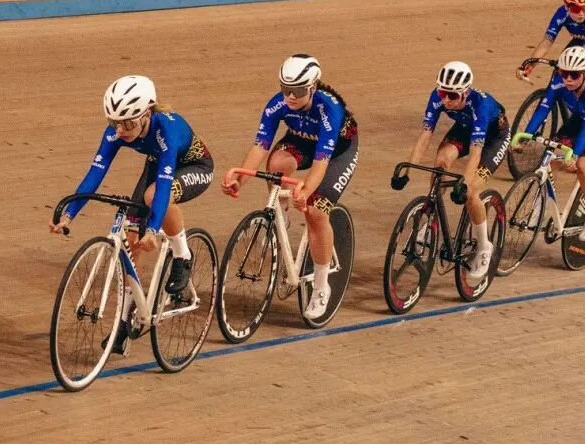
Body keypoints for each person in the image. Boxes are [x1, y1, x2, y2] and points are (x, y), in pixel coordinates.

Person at [51, 75, 213, 341]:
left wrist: (153, 227)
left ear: (147, 114)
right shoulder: (116, 131)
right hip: (158, 163)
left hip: (193, 166)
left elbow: (163, 183)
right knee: (131, 240)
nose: (121, 129)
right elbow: (95, 174)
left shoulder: (166, 131)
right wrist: (68, 214)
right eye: (114, 122)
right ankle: (126, 319)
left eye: (128, 122)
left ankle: (183, 256)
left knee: (152, 197)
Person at [221, 54, 358, 319]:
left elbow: (321, 162)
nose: (290, 97)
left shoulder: (329, 108)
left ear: (313, 87)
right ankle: (279, 215)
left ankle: (321, 286)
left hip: (336, 152)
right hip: (300, 141)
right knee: (276, 166)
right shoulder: (277, 105)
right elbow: (260, 146)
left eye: (297, 91)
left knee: (316, 210)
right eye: (285, 89)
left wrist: (306, 192)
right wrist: (240, 180)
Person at [403, 61, 509, 277]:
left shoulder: (481, 105)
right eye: (443, 93)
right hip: (463, 129)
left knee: (470, 192)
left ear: (466, 92)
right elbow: (425, 136)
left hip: (492, 138)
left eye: (452, 96)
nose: (446, 100)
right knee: (439, 166)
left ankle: (484, 246)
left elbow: (476, 153)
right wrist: (407, 171)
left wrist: (464, 183)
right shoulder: (438, 97)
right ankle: (430, 221)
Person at [510, 45, 585, 240]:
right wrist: (526, 136)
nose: (568, 79)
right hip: (580, 120)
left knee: (583, 167)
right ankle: (539, 207)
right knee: (550, 157)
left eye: (574, 75)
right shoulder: (559, 84)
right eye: (564, 73)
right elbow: (543, 108)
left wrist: (575, 154)